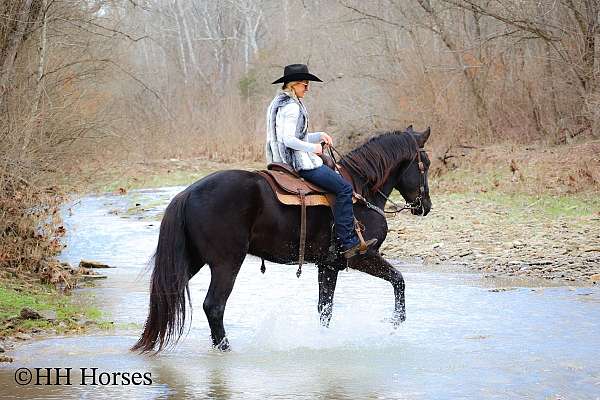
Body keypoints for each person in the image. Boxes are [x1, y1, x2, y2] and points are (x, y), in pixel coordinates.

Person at [265, 63, 377, 259]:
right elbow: (289, 140)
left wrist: (318, 136)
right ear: (293, 85)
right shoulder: (292, 107)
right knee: (343, 189)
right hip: (298, 162)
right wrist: (314, 148)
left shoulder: (278, 103)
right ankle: (347, 241)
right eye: (304, 84)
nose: (307, 88)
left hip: (278, 159)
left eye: (308, 85)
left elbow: (294, 136)